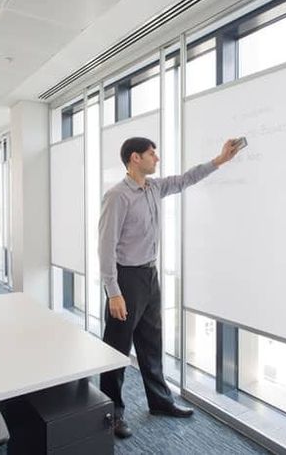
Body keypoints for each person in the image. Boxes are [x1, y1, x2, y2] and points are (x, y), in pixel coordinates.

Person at [98, 136, 240, 439]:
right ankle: (112, 414)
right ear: (135, 158)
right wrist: (114, 292)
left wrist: (220, 159)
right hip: (125, 279)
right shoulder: (117, 196)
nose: (157, 159)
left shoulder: (154, 187)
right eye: (152, 154)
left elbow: (186, 179)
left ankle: (160, 402)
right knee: (116, 349)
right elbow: (105, 248)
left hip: (149, 276)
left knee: (151, 343)